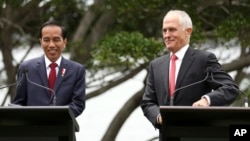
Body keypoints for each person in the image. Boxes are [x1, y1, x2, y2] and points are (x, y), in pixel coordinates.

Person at [140, 10, 239, 140]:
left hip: (196, 136)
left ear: (188, 31)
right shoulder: (156, 65)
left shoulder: (204, 59)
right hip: (167, 136)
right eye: (164, 31)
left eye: (172, 30)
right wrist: (158, 116)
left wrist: (206, 100)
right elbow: (148, 102)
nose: (167, 35)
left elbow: (230, 88)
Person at [11, 20, 85, 118]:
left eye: (56, 39)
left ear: (64, 42)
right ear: (41, 42)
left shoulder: (77, 70)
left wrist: (54, 117)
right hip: (33, 129)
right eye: (46, 40)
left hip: (62, 129)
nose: (51, 45)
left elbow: (78, 104)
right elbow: (18, 103)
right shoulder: (26, 68)